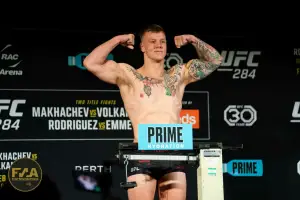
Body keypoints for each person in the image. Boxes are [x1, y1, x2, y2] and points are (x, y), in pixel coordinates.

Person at [83, 24, 223, 200]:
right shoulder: (129, 75)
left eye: (162, 41)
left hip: (174, 154)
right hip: (141, 154)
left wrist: (193, 40)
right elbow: (90, 62)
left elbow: (215, 61)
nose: (159, 45)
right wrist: (117, 40)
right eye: (153, 41)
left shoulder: (177, 75)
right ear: (142, 47)